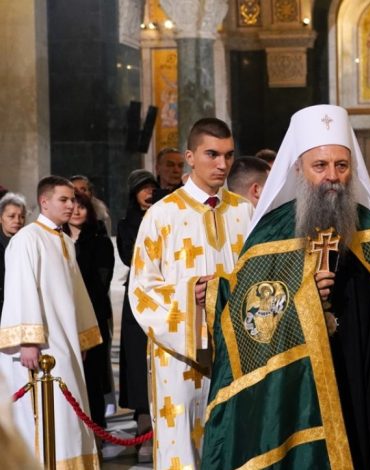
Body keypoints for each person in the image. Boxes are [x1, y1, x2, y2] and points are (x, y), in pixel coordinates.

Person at [202, 104, 370, 469]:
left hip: (356, 379)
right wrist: (301, 297)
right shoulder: (271, 233)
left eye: (341, 165)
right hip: (295, 392)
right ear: (298, 169)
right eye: (320, 166)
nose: (332, 176)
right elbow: (247, 323)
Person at [129, 118, 253, 467]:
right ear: (190, 157)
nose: (222, 164)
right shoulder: (162, 214)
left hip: (233, 348)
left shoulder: (244, 211)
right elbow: (142, 289)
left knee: (232, 438)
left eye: (228, 155)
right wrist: (189, 296)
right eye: (212, 154)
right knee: (181, 444)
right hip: (178, 354)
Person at [0, 176, 101, 468]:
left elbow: (76, 293)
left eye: (74, 200)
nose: (72, 205)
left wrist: (81, 337)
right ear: (44, 202)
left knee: (70, 413)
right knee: (48, 412)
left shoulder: (64, 240)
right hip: (41, 346)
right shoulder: (27, 239)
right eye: (64, 199)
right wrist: (28, 341)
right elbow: (21, 288)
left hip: (64, 341)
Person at [63, 192, 115, 432]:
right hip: (63, 318)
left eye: (82, 206)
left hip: (92, 316)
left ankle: (97, 431)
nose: (76, 211)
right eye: (72, 205)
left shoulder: (100, 241)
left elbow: (101, 281)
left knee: (93, 376)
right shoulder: (56, 239)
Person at [116, 169, 158, 463]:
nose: (148, 193)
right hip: (137, 297)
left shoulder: (166, 214)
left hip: (163, 295)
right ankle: (144, 429)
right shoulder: (127, 224)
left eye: (151, 187)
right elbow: (129, 255)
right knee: (138, 363)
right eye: (143, 188)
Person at [0, 193, 26, 319]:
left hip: (21, 307)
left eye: (22, 217)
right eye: (11, 216)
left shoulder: (28, 243)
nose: (17, 221)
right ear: (0, 218)